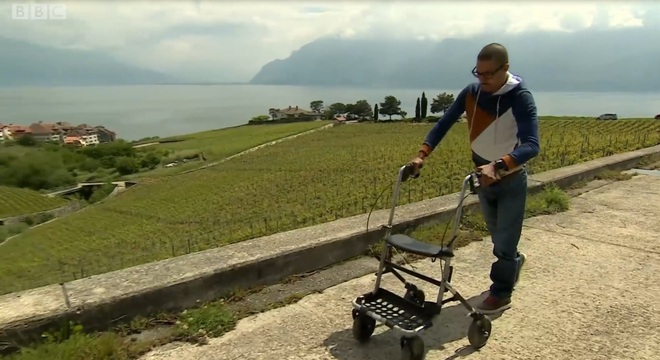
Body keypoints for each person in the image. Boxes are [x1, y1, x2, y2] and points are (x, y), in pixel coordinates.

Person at [410, 43, 540, 314]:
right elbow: (444, 123)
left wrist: (499, 166)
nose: (482, 79)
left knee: (504, 241)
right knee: (498, 235)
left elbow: (531, 145)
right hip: (482, 175)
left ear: (505, 68)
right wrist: (423, 154)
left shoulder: (520, 96)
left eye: (488, 74)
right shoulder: (472, 93)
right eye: (478, 73)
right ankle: (513, 261)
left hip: (510, 177)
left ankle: (501, 293)